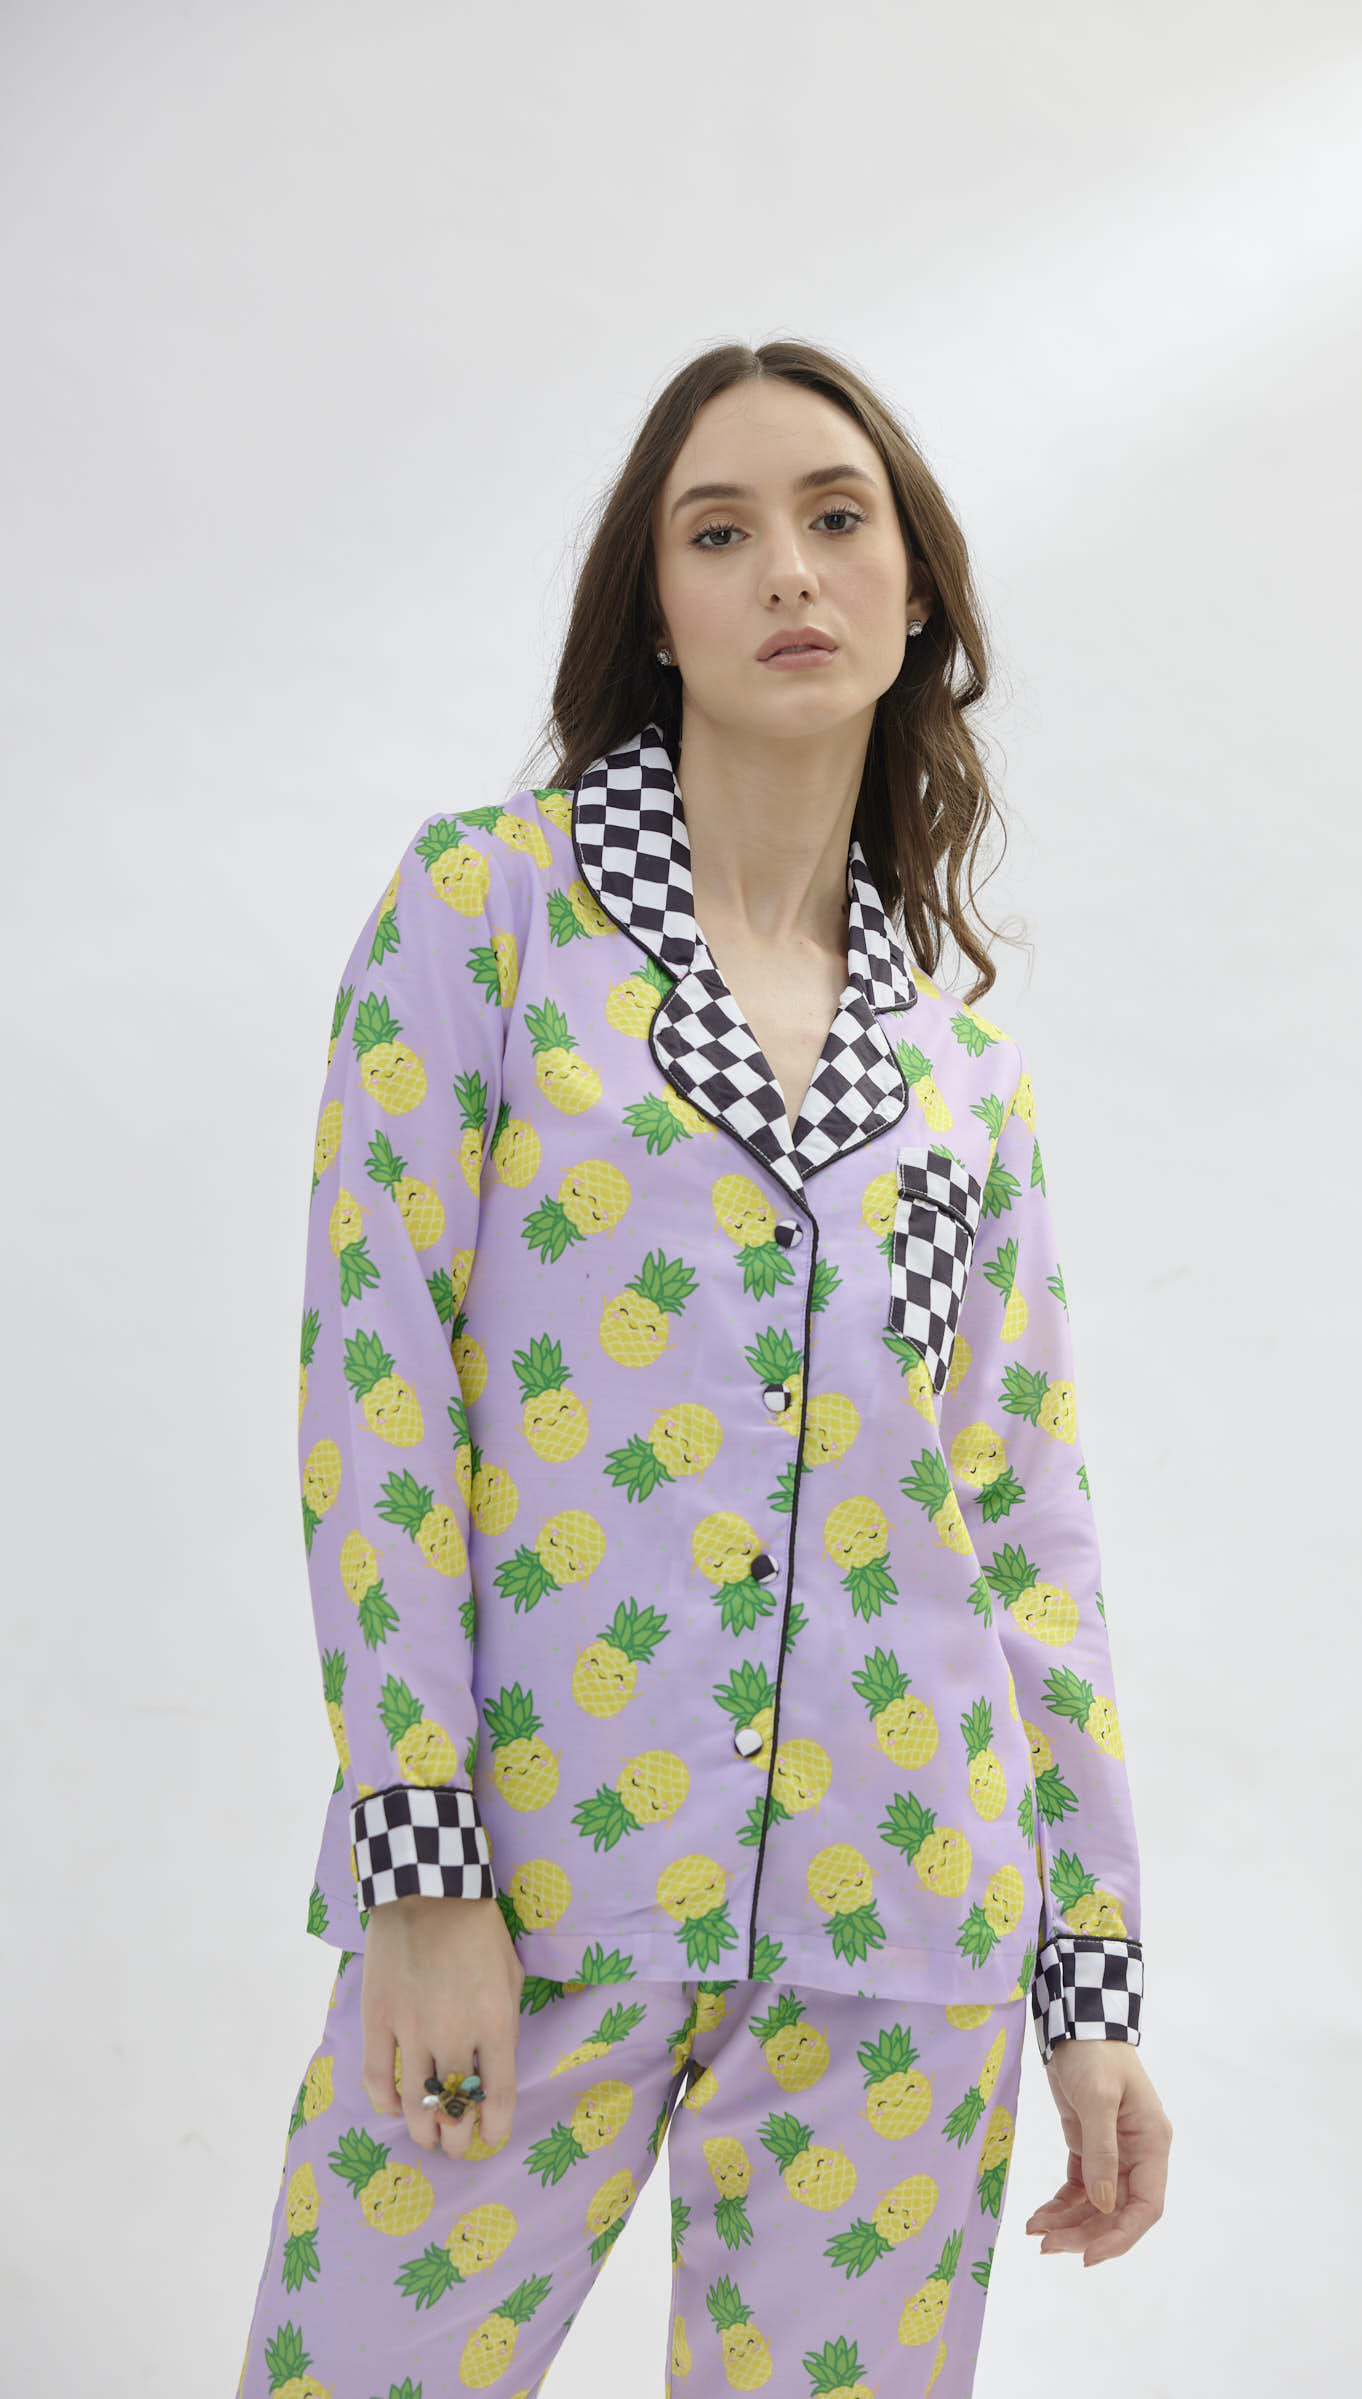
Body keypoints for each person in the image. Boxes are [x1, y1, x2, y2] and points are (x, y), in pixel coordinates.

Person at [237, 340, 1172, 2397]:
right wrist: (422, 1867)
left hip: (903, 1928)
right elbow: (375, 1390)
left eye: (837, 519)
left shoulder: (958, 1070)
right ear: (653, 608)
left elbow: (1021, 1528)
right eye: (719, 531)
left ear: (915, 591)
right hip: (531, 1890)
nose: (789, 572)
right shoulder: (487, 918)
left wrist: (1089, 1985)